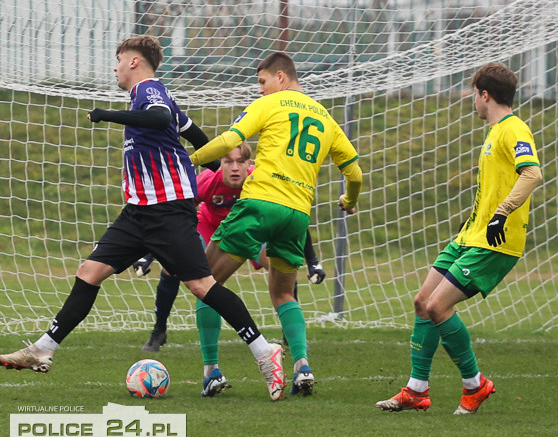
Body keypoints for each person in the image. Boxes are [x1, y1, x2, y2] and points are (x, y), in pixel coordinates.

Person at [0, 36, 286, 401]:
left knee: (201, 286)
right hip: (139, 212)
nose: (115, 67)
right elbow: (195, 135)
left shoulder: (149, 91)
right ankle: (43, 348)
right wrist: (218, 167)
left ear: (134, 62)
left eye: (118, 59)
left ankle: (265, 352)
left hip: (167, 210)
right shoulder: (157, 95)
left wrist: (107, 115)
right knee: (90, 271)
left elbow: (161, 118)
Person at [188, 51, 363, 398]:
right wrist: (350, 200)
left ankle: (212, 371)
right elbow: (355, 173)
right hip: (297, 215)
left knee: (204, 283)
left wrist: (188, 160)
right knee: (284, 293)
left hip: (259, 205)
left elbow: (227, 141)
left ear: (280, 77)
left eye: (262, 82)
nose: (261, 90)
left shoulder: (272, 104)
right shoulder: (326, 117)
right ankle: (302, 366)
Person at [375, 62, 542, 415]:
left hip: (495, 241)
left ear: (485, 95)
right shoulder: (495, 131)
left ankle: (475, 385)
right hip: (471, 235)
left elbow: (531, 173)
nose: (473, 102)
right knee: (423, 301)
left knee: (438, 307)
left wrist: (502, 212)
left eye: (474, 94)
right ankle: (417, 390)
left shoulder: (514, 130)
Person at [134, 142, 326, 354]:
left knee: (279, 264)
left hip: (249, 229)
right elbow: (176, 217)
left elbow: (292, 219)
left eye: (240, 162)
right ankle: (159, 330)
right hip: (211, 227)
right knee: (173, 266)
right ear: (219, 164)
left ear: (249, 165)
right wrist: (150, 254)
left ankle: (289, 334)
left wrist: (312, 261)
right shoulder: (207, 181)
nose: (234, 167)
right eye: (228, 162)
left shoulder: (262, 182)